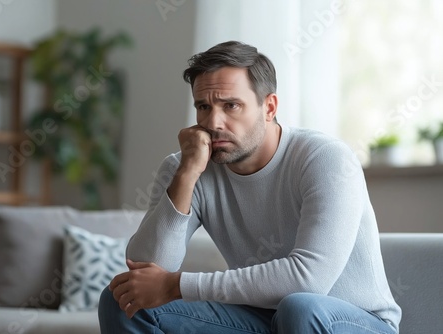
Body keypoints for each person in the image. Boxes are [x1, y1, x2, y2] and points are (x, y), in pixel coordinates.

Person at [98, 41, 401, 333]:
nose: (214, 122)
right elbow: (144, 273)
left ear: (269, 107)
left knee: (300, 308)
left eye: (231, 106)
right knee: (123, 301)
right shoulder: (188, 164)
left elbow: (309, 281)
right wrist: (187, 173)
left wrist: (177, 285)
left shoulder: (325, 159)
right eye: (203, 106)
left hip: (354, 322)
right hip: (262, 318)